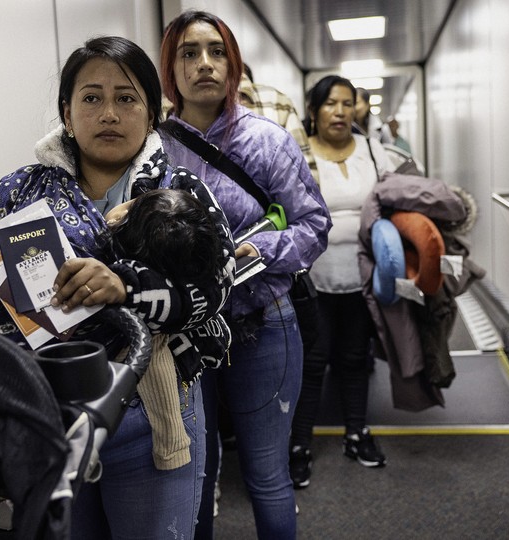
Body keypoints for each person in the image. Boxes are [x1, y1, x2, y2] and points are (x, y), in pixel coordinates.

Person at [0, 35, 234, 538]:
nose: (108, 113)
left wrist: (125, 286)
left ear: (151, 113)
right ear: (67, 112)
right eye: (91, 98)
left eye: (126, 99)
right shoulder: (19, 191)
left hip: (147, 414)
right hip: (48, 416)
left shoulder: (180, 190)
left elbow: (215, 288)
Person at [158, 10, 331, 540]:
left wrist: (261, 248)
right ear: (170, 67)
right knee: (194, 474)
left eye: (217, 52)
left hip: (264, 320)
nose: (204, 64)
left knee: (266, 474)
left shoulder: (267, 142)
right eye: (189, 53)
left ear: (233, 64)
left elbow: (314, 224)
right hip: (182, 330)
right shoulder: (152, 148)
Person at [288, 75, 391, 490]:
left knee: (354, 358)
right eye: (330, 103)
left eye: (348, 103)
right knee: (312, 364)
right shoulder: (299, 152)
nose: (340, 111)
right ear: (313, 111)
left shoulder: (370, 148)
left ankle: (356, 434)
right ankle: (299, 447)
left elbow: (395, 196)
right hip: (313, 277)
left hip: (362, 275)